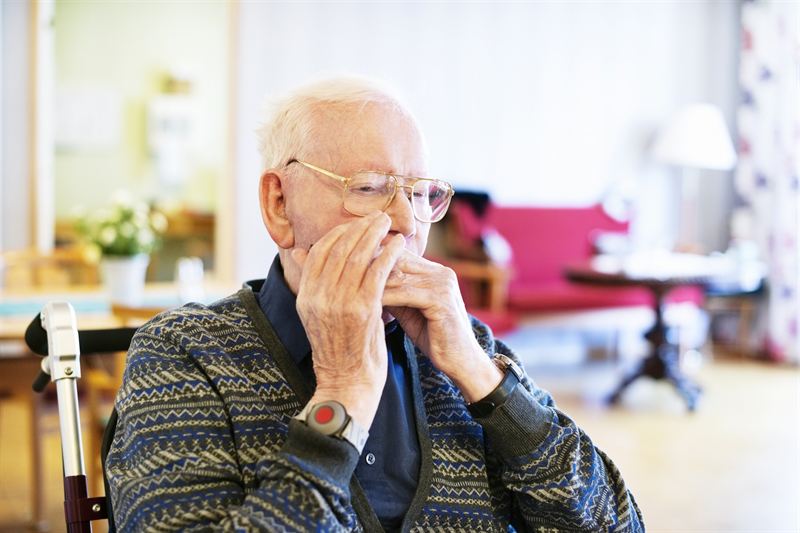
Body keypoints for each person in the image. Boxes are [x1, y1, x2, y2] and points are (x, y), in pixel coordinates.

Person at [106, 76, 644, 532]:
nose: (407, 223)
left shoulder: (468, 348)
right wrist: (342, 394)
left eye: (420, 193)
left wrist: (484, 380)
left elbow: (617, 524)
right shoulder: (183, 354)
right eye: (368, 188)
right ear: (279, 205)